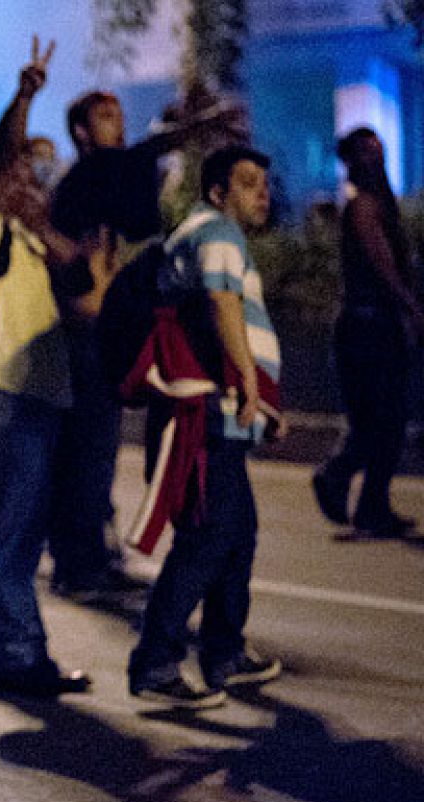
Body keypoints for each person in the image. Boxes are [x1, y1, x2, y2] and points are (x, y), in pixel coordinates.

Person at [44, 87, 244, 598]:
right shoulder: (84, 178)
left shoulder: (101, 181)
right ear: (81, 132)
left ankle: (88, 556)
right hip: (82, 335)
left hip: (96, 334)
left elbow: (139, 212)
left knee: (93, 452)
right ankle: (80, 565)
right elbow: (142, 156)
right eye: (104, 116)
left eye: (118, 114)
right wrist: (196, 128)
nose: (117, 123)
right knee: (90, 451)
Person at [0, 38, 101, 699]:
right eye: (23, 166)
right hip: (2, 394)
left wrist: (52, 235)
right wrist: (25, 97)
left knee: (1, 526)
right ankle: (19, 655)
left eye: (39, 169)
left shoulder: (37, 237)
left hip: (38, 395)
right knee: (15, 534)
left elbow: (88, 286)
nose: (30, 176)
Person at [127, 146, 285, 709]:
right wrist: (250, 384)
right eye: (247, 183)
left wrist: (260, 399)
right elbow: (222, 303)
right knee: (208, 538)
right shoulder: (217, 232)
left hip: (220, 411)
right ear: (218, 192)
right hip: (209, 414)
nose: (262, 193)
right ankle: (155, 664)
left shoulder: (211, 232)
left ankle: (224, 653)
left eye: (263, 183)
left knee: (236, 533)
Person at [313, 128, 424, 537]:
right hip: (367, 329)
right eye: (367, 151)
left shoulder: (375, 204)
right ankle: (337, 477)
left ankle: (371, 507)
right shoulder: (362, 207)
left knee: (384, 423)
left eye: (378, 149)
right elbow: (382, 265)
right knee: (382, 421)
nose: (376, 157)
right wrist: (412, 309)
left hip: (374, 326)